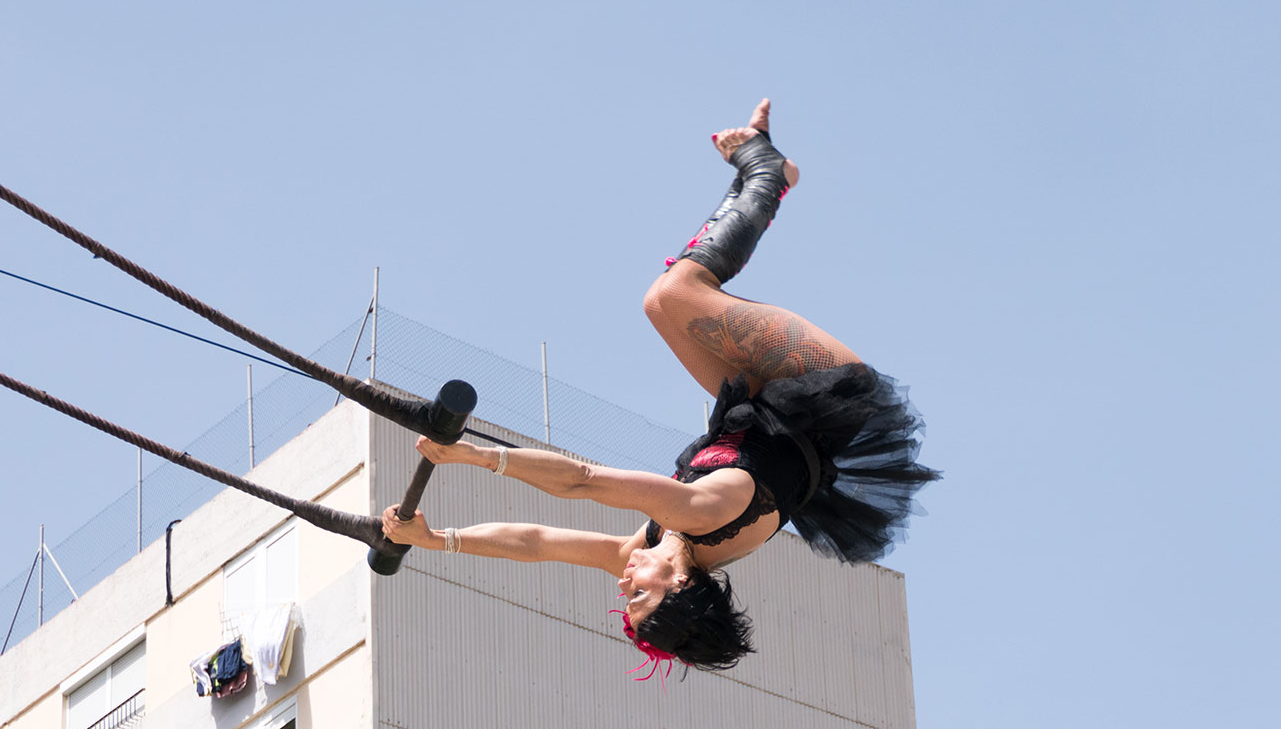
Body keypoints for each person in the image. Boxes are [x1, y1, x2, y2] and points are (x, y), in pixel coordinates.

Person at [381, 100, 939, 676]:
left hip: (756, 407)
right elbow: (583, 481)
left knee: (659, 302)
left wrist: (438, 539)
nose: (624, 585)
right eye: (638, 595)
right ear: (677, 584)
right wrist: (471, 455)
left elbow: (537, 543)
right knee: (678, 293)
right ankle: (765, 169)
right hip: (826, 392)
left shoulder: (649, 547)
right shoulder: (702, 511)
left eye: (627, 600)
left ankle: (764, 174)